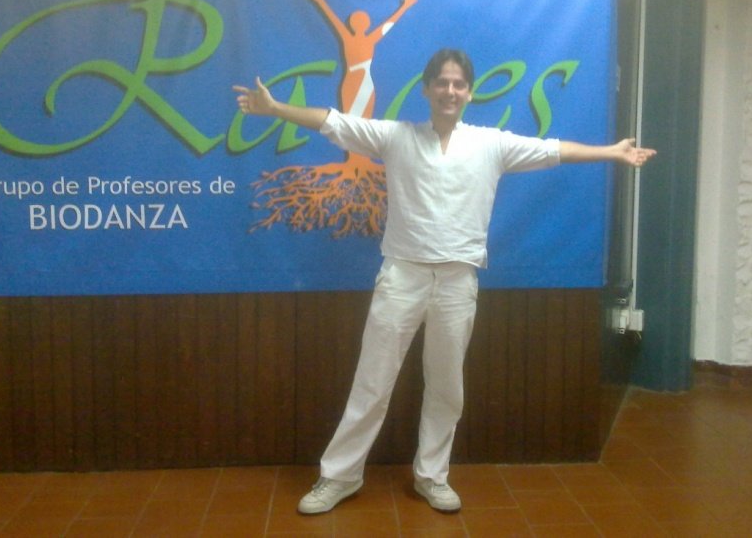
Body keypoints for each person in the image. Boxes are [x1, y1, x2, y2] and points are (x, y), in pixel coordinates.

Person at [233, 49, 656, 515]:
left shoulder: (491, 144)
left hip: (458, 280)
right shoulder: (396, 137)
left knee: (446, 387)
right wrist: (275, 108)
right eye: (442, 83)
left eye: (458, 84)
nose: (450, 91)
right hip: (402, 275)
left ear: (469, 92)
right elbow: (333, 121)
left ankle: (432, 476)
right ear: (427, 89)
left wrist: (612, 152)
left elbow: (553, 150)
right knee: (372, 382)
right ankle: (339, 476)